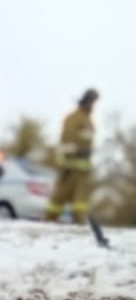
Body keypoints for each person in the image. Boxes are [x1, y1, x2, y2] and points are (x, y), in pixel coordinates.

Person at [46, 89, 99, 224]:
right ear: (85, 101)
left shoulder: (88, 120)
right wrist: (65, 162)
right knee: (57, 201)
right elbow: (66, 142)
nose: (93, 105)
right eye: (92, 102)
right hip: (69, 168)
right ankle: (48, 225)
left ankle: (79, 227)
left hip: (83, 170)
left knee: (80, 203)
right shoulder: (73, 118)